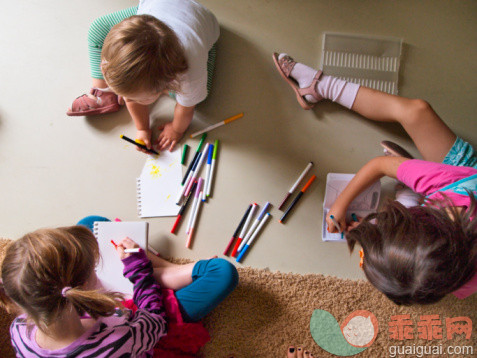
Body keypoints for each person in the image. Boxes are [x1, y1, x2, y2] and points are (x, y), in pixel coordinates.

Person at [273, 52, 477, 305]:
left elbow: (415, 270)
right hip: (461, 179)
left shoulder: (458, 279)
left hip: (443, 204)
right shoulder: (452, 189)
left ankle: (409, 192)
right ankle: (321, 87)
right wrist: (342, 205)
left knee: (417, 116)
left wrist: (367, 231)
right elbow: (380, 165)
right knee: (416, 111)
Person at [0, 223, 238, 356]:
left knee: (93, 223)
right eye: (93, 268)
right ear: (82, 287)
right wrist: (140, 271)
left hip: (84, 313)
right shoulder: (119, 339)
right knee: (222, 273)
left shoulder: (20, 329)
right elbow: (155, 321)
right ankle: (162, 270)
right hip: (144, 326)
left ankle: (162, 269)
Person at [67, 0, 220, 152]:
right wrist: (142, 129)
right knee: (98, 29)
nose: (126, 101)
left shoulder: (189, 71)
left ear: (167, 83)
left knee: (195, 97)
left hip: (204, 24)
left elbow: (186, 109)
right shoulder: (138, 26)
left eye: (132, 99)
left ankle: (145, 90)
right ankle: (101, 91)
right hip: (153, 13)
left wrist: (176, 130)